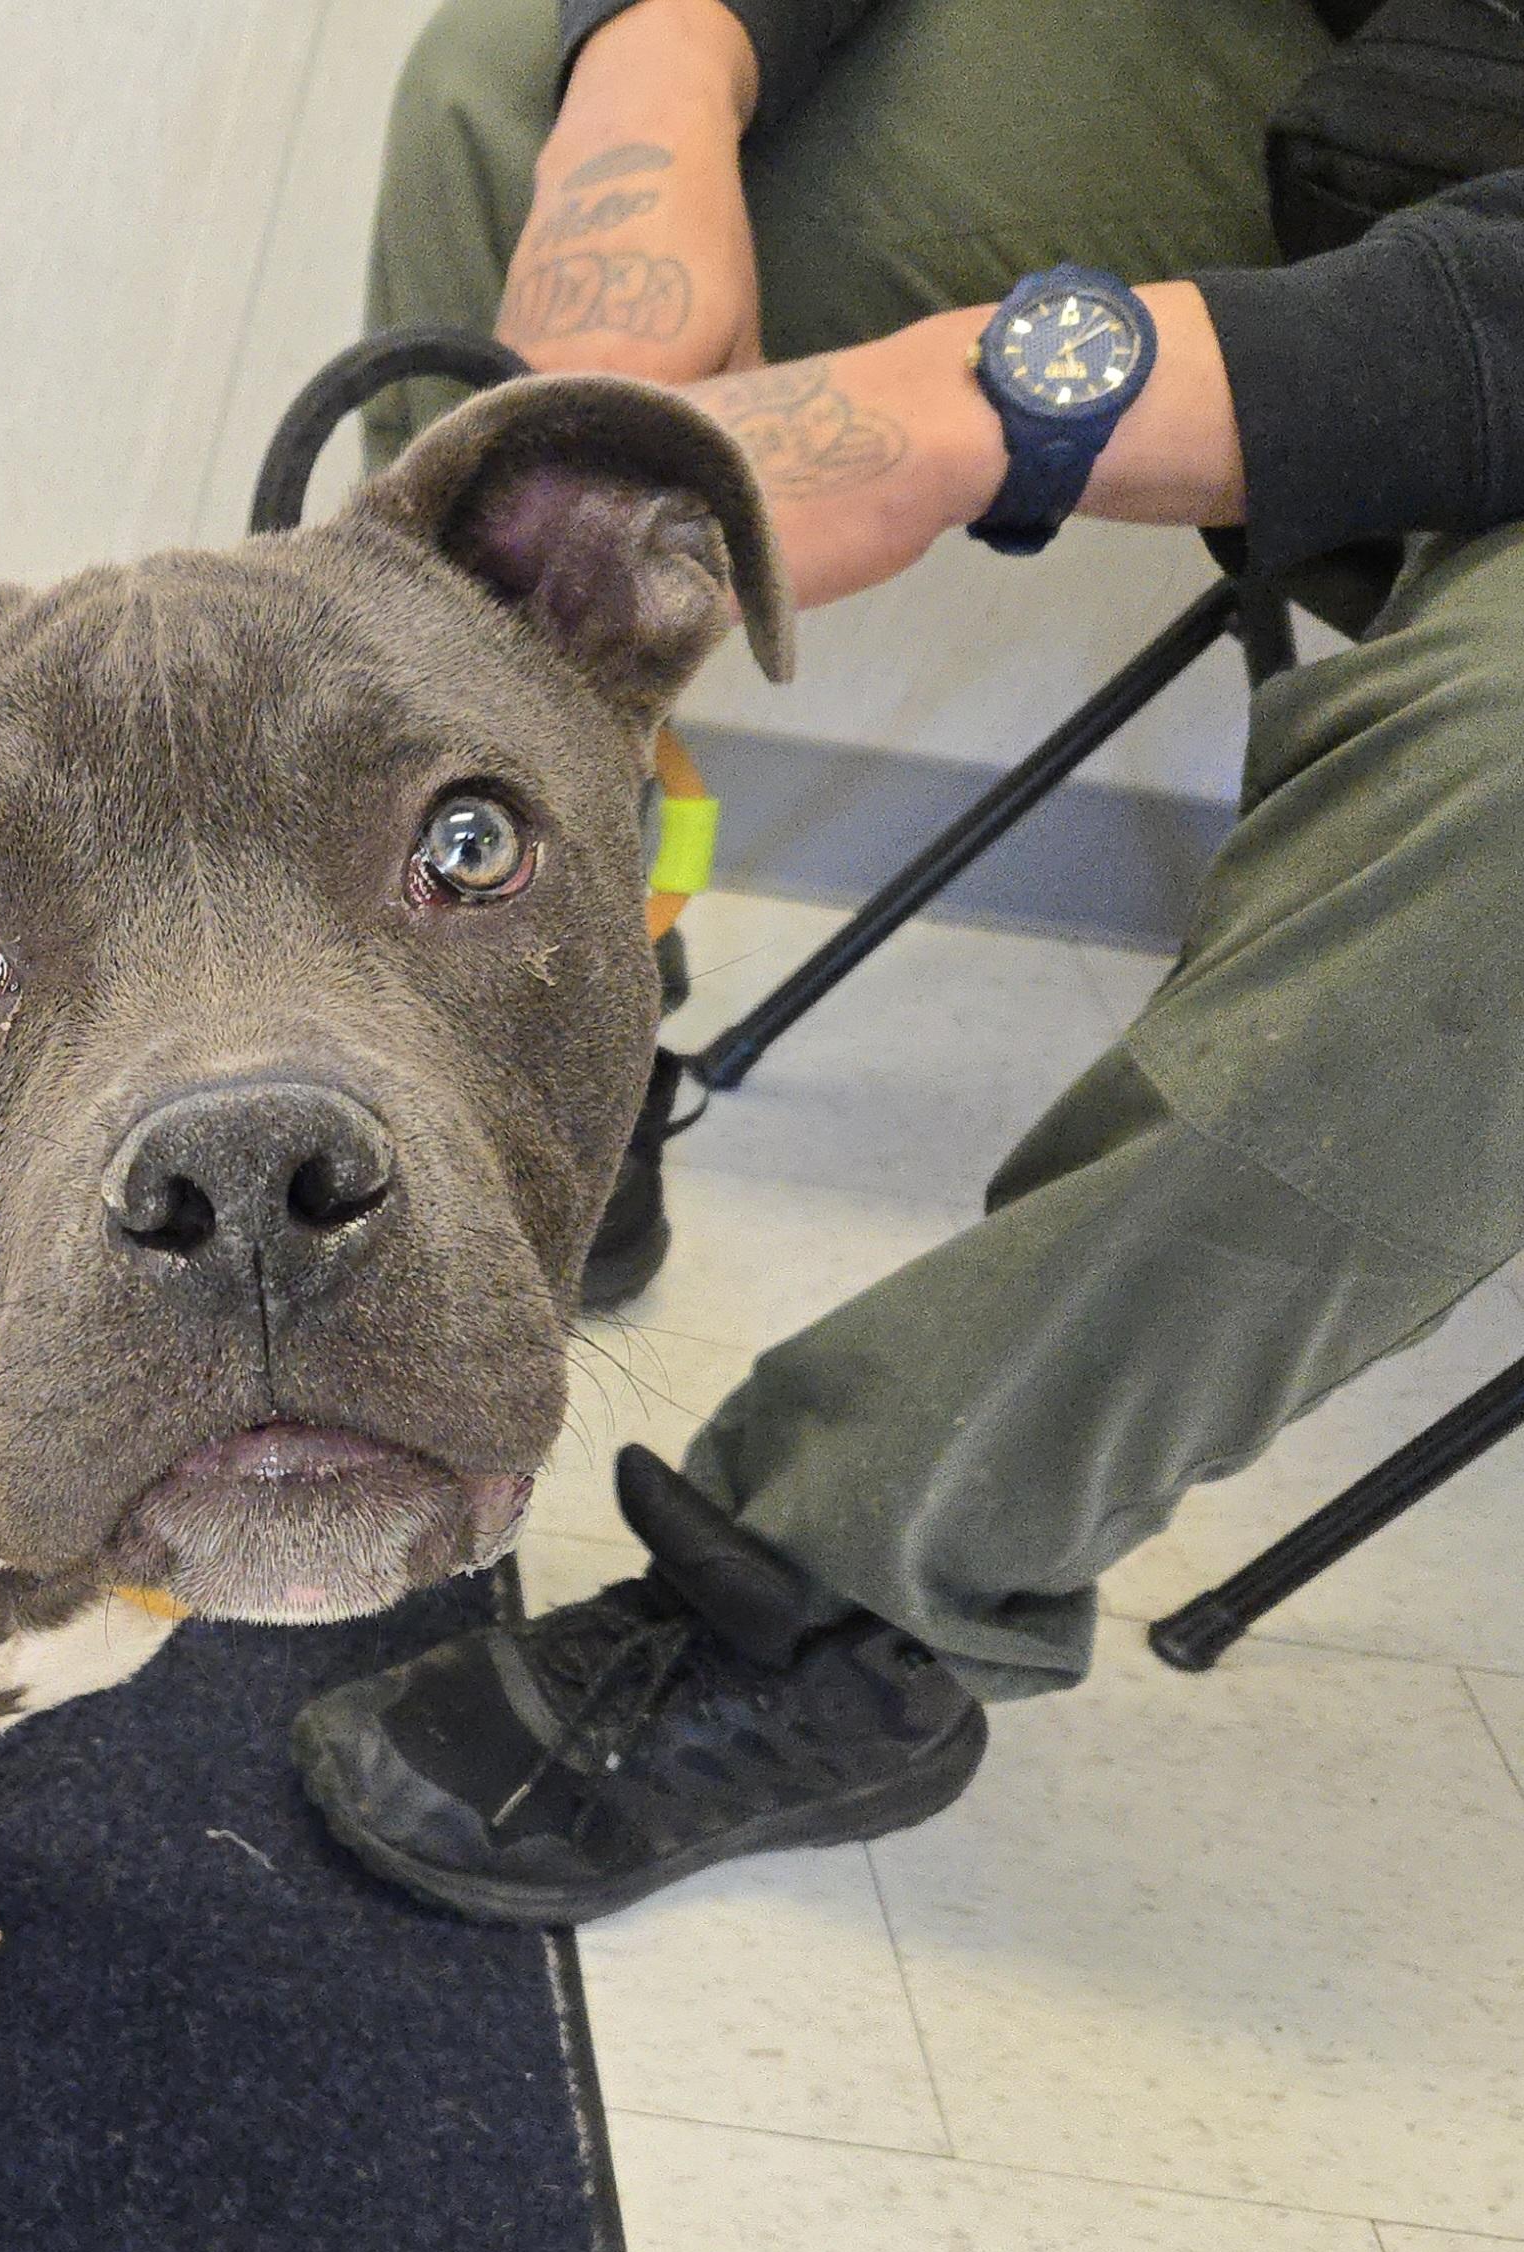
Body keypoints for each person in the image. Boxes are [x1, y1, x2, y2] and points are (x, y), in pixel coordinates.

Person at [298, 0, 1524, 1924]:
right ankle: (545, 1030)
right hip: (1416, 78)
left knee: (1509, 819)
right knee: (512, 90)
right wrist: (671, 57)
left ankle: (835, 1609)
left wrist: (987, 407)